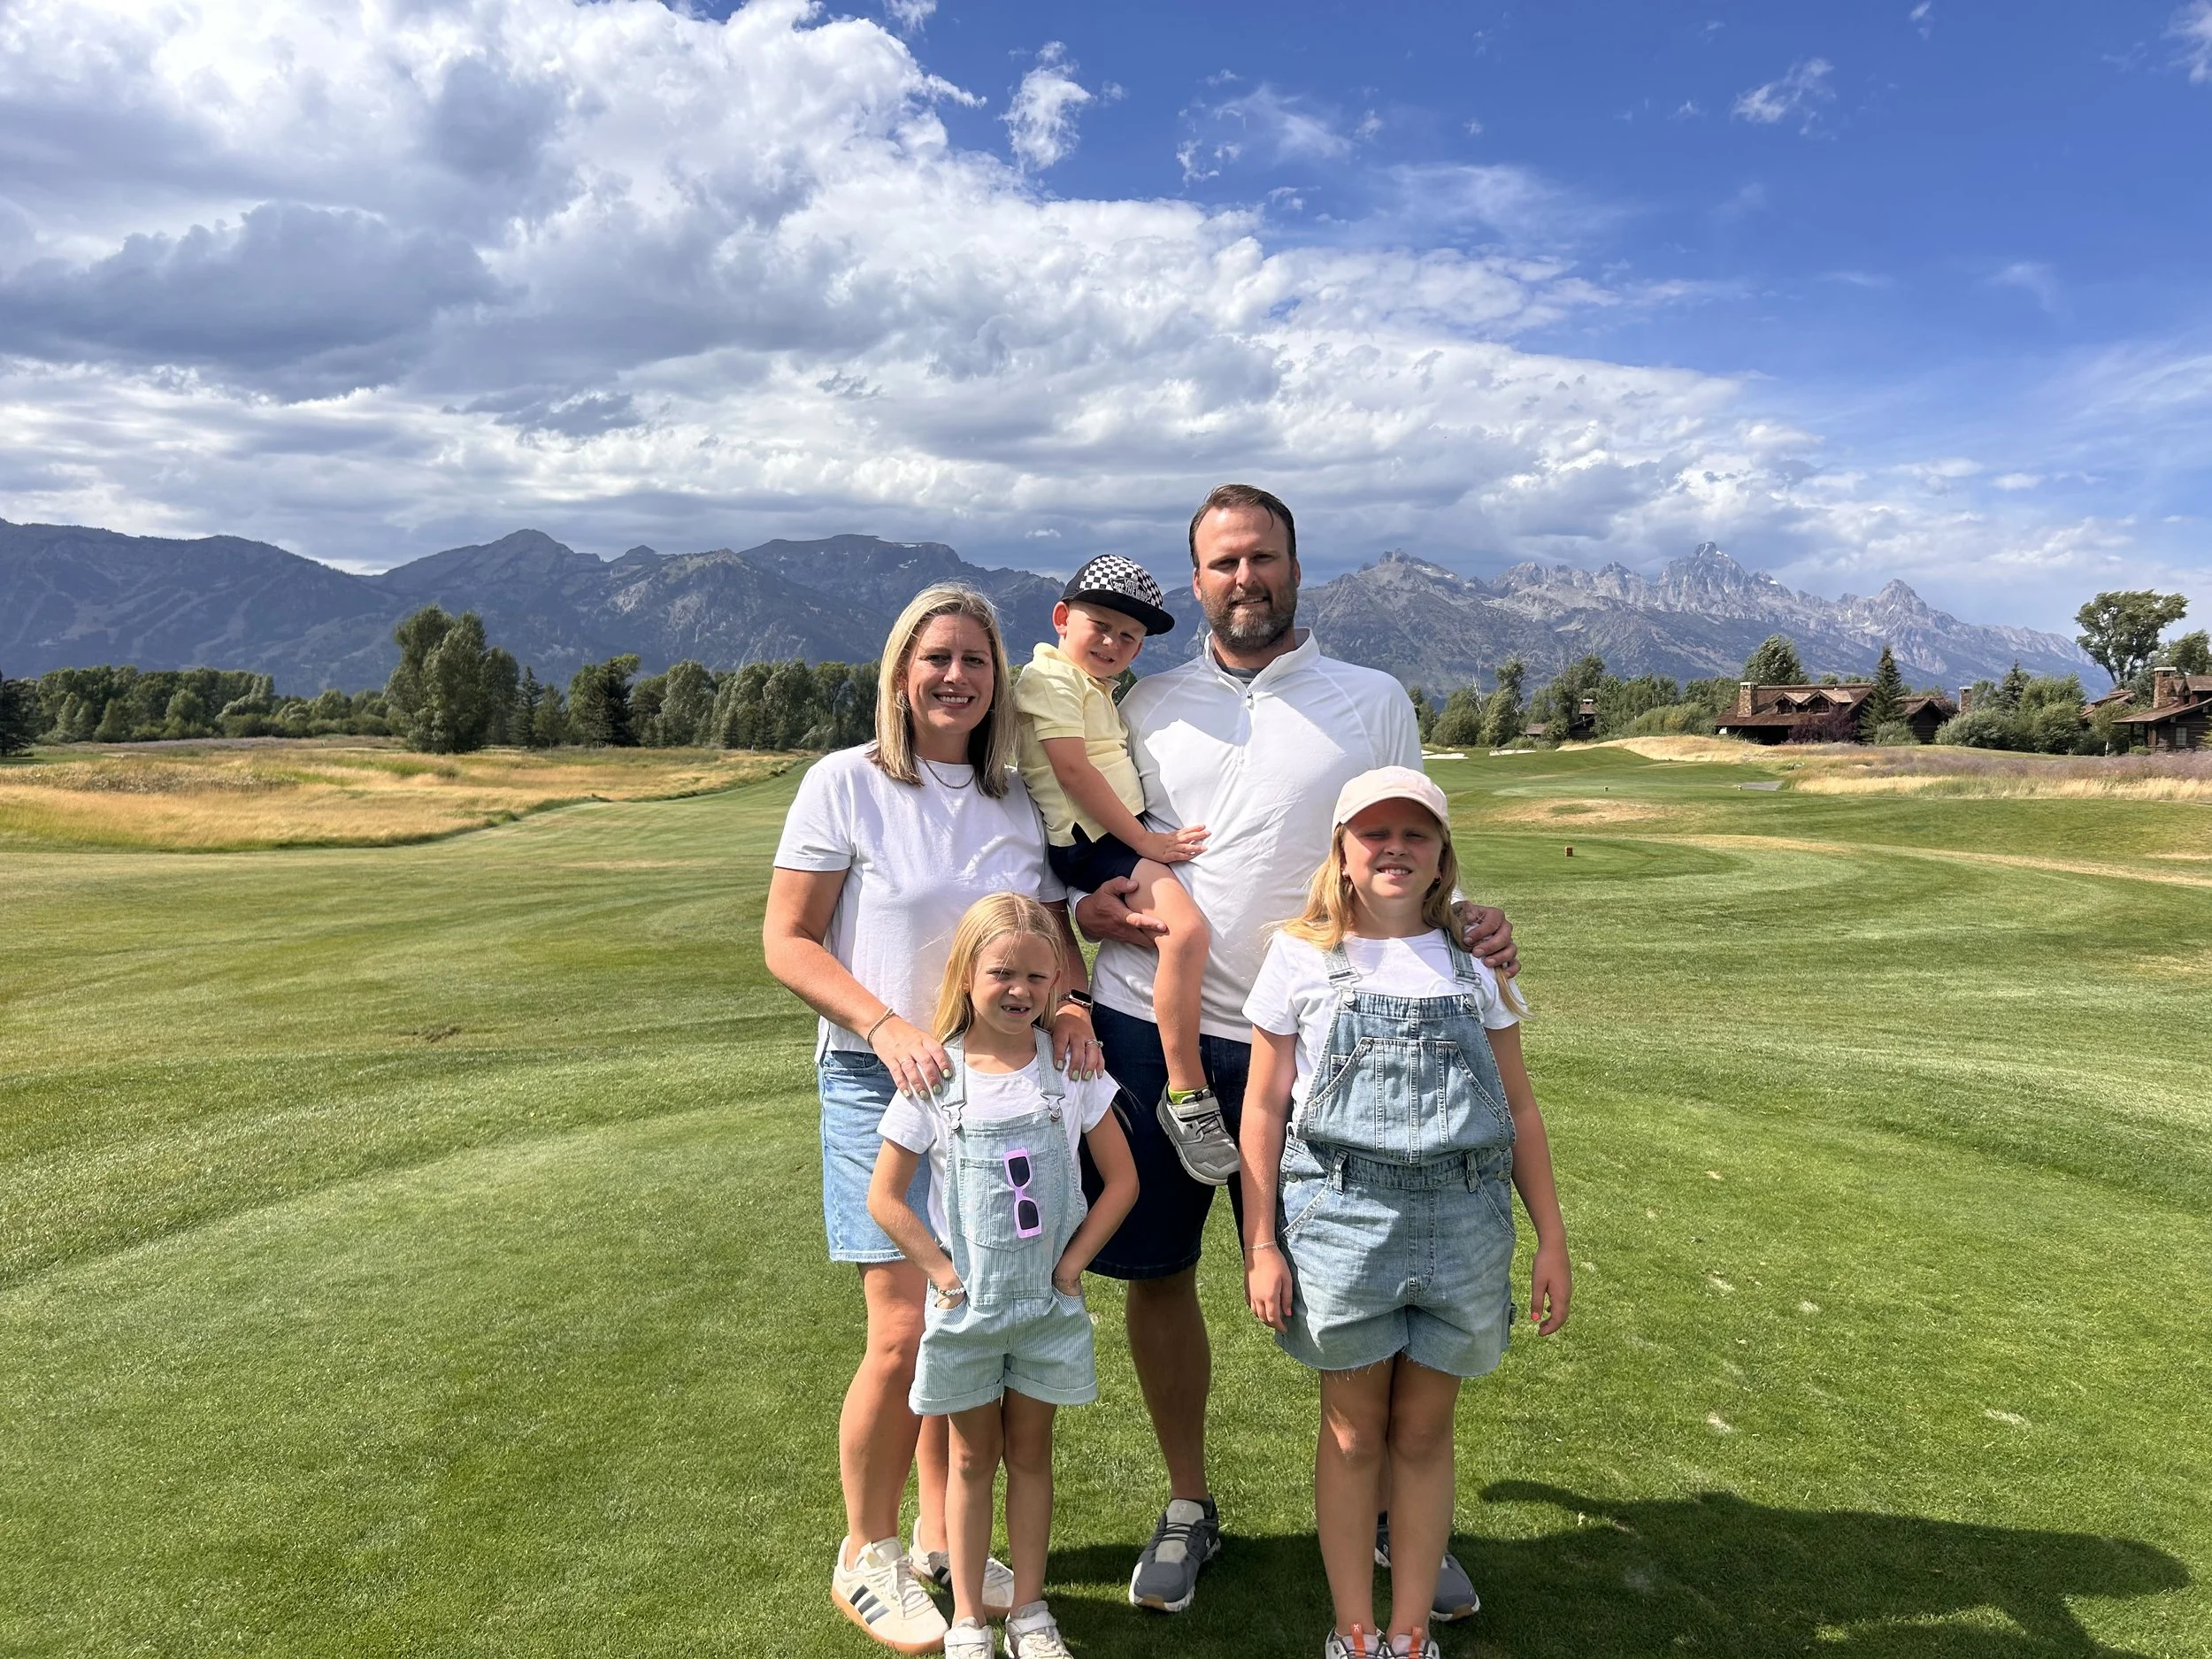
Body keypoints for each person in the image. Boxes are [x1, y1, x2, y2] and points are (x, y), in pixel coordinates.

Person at [1072, 484, 1517, 1617]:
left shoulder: (1370, 699)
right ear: (1195, 581)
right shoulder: (1140, 701)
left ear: (1296, 567)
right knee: (1160, 1273)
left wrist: (1476, 919)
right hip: (1151, 1031)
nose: (1243, 579)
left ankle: (1383, 1513)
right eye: (1221, 563)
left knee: (1350, 1274)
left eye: (1261, 558)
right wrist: (1090, 916)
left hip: (1322, 1044)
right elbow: (1086, 860)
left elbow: (1409, 848)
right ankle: (1188, 1501)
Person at [763, 585, 1106, 1652]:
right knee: (902, 1325)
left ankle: (939, 1545)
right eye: (935, 659)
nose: (955, 678)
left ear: (998, 678)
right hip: (881, 1081)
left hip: (994, 1094)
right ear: (899, 676)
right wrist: (881, 1027)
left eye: (974, 660)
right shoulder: (844, 785)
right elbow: (788, 940)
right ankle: (866, 1551)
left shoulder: (1012, 801)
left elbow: (1043, 939)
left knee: (954, 1327)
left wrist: (1079, 1006)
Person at [1240, 767, 1569, 1659]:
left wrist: (1552, 1239)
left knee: (1423, 1433)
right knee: (1351, 1432)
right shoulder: (1300, 957)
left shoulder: (1476, 964)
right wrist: (1259, 1240)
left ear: (1441, 858)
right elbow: (1263, 1108)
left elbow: (1520, 1108)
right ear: (1342, 854)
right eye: (1372, 834)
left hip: (1464, 1224)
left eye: (1413, 835)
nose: (1393, 849)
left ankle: (1409, 1631)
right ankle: (1354, 1630)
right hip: (1341, 1222)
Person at [869, 893, 1141, 1659]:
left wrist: (1071, 1265)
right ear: (966, 971)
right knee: (968, 1457)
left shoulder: (1071, 1072)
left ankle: (1029, 1608)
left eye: (1036, 975)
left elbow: (1122, 1182)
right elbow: (885, 1198)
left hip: (1047, 1308)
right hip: (966, 1311)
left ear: (1057, 981)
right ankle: (968, 1618)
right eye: (1001, 972)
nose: (1019, 990)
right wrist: (944, 1276)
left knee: (1031, 1455)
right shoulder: (932, 1076)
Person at [1011, 555, 1230, 1185]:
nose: (1113, 643)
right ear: (1061, 619)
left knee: (1182, 934)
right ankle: (1187, 1092)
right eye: (1099, 625)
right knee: (1185, 935)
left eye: (1129, 636)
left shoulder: (1094, 687)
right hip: (1098, 839)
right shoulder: (1050, 680)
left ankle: (1185, 1088)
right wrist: (1147, 841)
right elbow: (1073, 772)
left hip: (1106, 837)